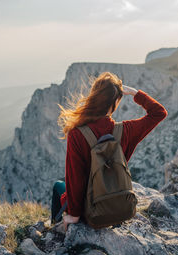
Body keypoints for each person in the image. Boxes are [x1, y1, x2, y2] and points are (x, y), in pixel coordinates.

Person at [51, 71, 168, 231]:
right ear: (116, 101)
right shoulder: (126, 131)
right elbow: (159, 112)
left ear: (94, 97)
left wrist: (74, 214)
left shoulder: (77, 134)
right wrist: (134, 93)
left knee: (59, 185)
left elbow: (75, 179)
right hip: (122, 207)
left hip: (92, 211)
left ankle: (54, 228)